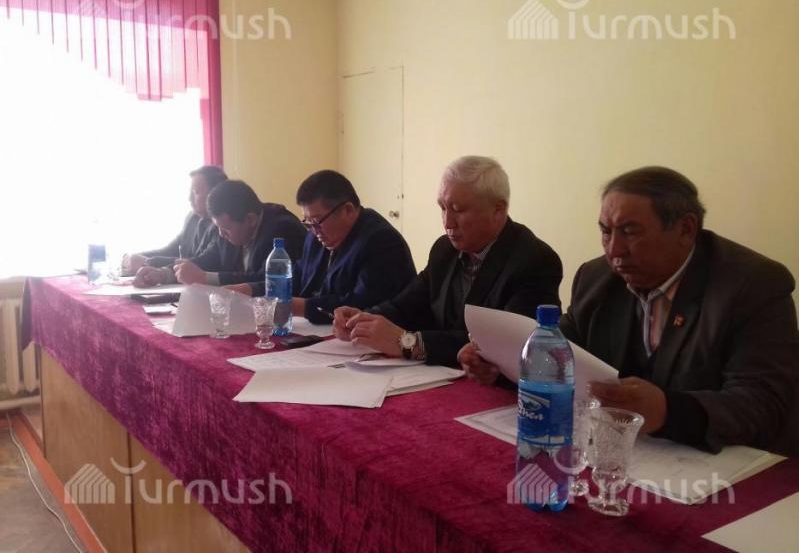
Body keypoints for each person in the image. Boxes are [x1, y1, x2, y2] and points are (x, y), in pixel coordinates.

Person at [464, 166, 798, 456]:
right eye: (605, 232)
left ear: (686, 229)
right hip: (625, 455)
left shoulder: (753, 285)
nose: (614, 250)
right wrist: (501, 366)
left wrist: (668, 411)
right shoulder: (597, 278)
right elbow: (565, 352)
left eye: (630, 232)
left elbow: (763, 403)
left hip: (726, 469)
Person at [333, 156, 563, 367]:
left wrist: (407, 342)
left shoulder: (534, 260)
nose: (447, 222)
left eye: (457, 210)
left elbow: (505, 344)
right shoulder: (444, 249)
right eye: (442, 208)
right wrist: (362, 319)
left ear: (498, 210)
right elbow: (406, 305)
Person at [242, 170, 417, 324]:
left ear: (348, 210)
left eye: (317, 221)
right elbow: (298, 276)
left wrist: (300, 307)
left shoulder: (382, 241)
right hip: (319, 332)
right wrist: (252, 290)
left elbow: (362, 304)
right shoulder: (316, 235)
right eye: (308, 223)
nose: (314, 231)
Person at [135, 179, 306, 287]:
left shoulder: (282, 229)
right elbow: (206, 261)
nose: (221, 234)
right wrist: (162, 274)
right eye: (218, 227)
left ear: (251, 219)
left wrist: (206, 278)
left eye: (226, 229)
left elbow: (267, 280)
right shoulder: (227, 226)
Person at [122, 165, 227, 277]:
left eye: (196, 192)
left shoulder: (224, 226)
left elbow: (202, 263)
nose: (189, 198)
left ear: (214, 195)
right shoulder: (193, 217)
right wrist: (134, 257)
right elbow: (171, 250)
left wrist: (147, 262)